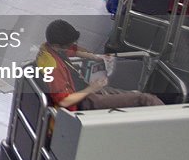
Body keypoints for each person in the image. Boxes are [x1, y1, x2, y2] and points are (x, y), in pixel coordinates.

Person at [35, 20, 163, 110]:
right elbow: (64, 101)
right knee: (143, 99)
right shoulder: (53, 68)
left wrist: (96, 57)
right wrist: (92, 88)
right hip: (83, 102)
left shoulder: (47, 48)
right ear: (57, 46)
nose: (72, 46)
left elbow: (73, 51)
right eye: (69, 44)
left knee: (134, 94)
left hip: (84, 90)